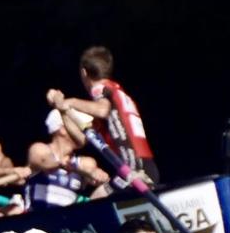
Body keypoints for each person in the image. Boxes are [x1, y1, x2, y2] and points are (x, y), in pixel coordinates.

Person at [46, 45, 157, 181]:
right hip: (139, 167)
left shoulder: (101, 88)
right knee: (97, 198)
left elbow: (102, 110)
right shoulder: (115, 96)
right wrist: (62, 110)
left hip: (135, 168)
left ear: (84, 73)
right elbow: (81, 139)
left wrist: (70, 102)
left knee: (97, 200)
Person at [25, 108, 110, 209]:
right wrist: (66, 165)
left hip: (69, 221)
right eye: (80, 126)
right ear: (62, 129)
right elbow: (44, 162)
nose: (85, 131)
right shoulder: (39, 149)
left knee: (110, 187)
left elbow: (102, 179)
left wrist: (102, 178)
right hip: (37, 220)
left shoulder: (86, 162)